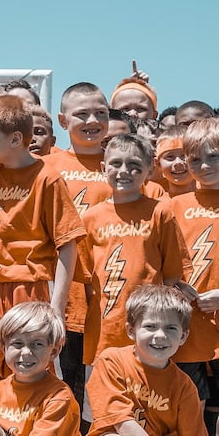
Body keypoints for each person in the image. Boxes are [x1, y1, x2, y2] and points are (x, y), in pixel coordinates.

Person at [0, 95, 85, 406]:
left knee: (31, 378)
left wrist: (56, 310)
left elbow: (67, 245)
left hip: (33, 289)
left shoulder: (48, 178)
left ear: (16, 139)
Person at [80, 134, 192, 368]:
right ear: (103, 167)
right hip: (104, 325)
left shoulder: (160, 213)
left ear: (149, 171)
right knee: (106, 392)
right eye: (116, 163)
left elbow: (172, 273)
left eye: (134, 165)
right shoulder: (90, 217)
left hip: (150, 327)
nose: (124, 171)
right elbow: (84, 279)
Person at [45, 82, 112, 409]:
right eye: (81, 113)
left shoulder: (120, 166)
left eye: (100, 112)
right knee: (63, 383)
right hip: (62, 294)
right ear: (62, 120)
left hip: (108, 295)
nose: (92, 120)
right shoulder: (47, 167)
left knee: (97, 392)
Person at [86, 285, 206, 436]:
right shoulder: (111, 361)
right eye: (150, 326)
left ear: (183, 337)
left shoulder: (185, 388)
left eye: (171, 328)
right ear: (131, 331)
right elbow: (119, 421)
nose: (160, 335)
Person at [0, 302, 80, 436]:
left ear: (53, 351)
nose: (26, 352)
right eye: (17, 343)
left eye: (37, 344)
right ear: (3, 348)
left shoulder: (59, 397)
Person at [170, 119, 219, 410]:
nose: (204, 166)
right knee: (191, 409)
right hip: (188, 330)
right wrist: (175, 287)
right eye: (196, 159)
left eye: (214, 156)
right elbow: (163, 263)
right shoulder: (173, 205)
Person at [155, 125, 194, 197]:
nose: (178, 162)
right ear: (158, 164)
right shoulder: (158, 206)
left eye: (184, 155)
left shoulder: (214, 199)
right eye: (170, 157)